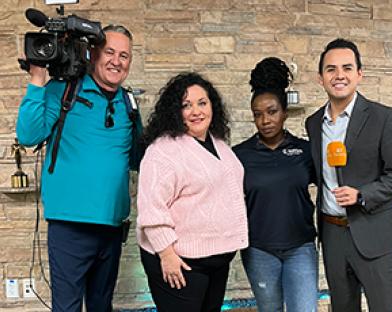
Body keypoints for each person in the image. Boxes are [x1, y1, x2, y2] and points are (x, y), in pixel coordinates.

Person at [16, 25, 141, 312]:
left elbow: (139, 158)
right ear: (93, 53)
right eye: (110, 52)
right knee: (68, 308)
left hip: (111, 227)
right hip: (70, 228)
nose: (116, 61)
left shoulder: (128, 103)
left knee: (101, 306)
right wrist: (37, 77)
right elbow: (28, 135)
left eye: (124, 55)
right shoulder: (63, 90)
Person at [305, 38, 392, 312]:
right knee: (342, 308)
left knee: (384, 307)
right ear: (321, 78)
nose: (338, 75)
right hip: (332, 234)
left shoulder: (383, 117)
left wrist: (362, 194)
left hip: (373, 232)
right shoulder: (314, 123)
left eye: (346, 68)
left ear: (359, 74)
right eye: (330, 69)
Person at [137, 72, 248, 312]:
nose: (196, 111)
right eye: (186, 105)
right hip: (180, 262)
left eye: (202, 103)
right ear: (174, 112)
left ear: (212, 106)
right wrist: (166, 255)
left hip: (216, 260)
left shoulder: (218, 144)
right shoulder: (162, 151)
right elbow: (151, 208)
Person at [233, 57, 318, 312]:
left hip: (300, 248)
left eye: (272, 112)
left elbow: (332, 185)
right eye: (257, 115)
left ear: (284, 112)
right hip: (258, 250)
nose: (265, 120)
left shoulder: (305, 150)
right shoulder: (239, 155)